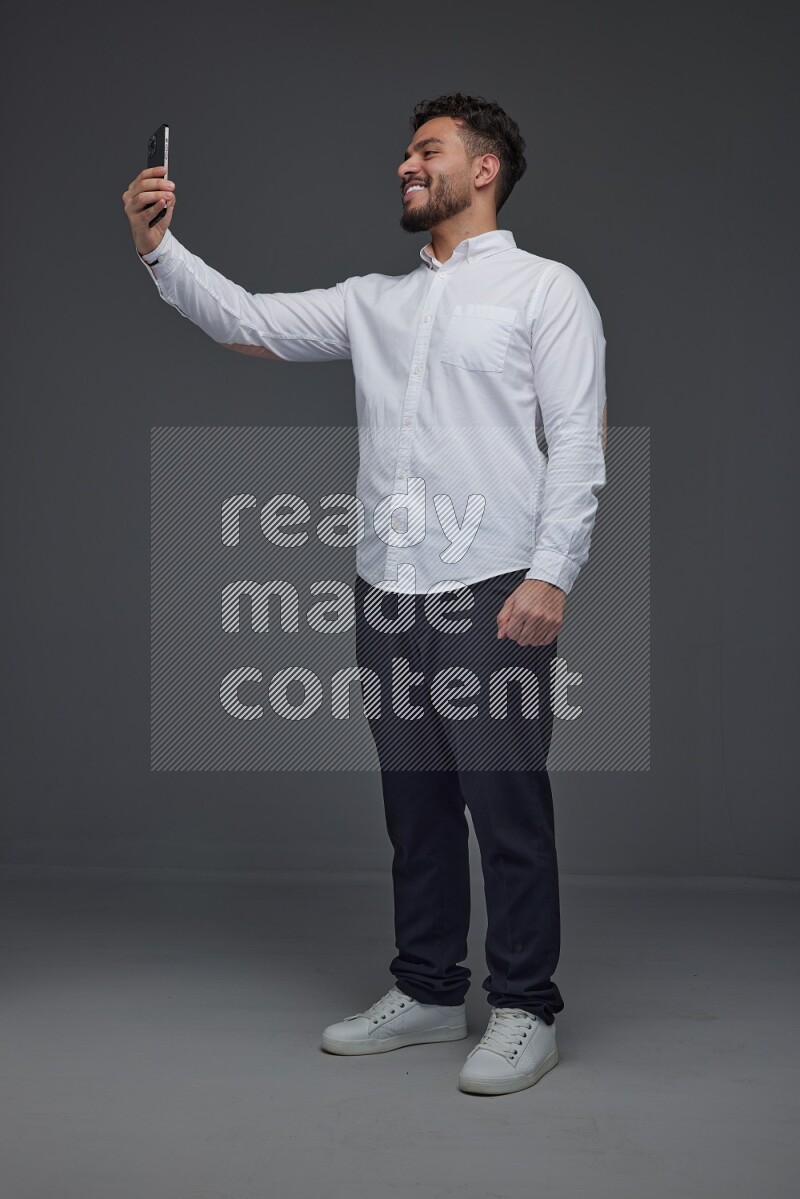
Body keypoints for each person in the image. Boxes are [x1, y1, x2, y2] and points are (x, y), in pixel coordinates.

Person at [123, 93, 607, 1097]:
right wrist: (159, 250)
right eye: (401, 153)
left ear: (483, 170)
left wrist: (550, 573)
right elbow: (249, 322)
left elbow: (578, 441)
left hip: (492, 588)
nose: (402, 166)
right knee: (415, 807)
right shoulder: (374, 303)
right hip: (388, 594)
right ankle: (429, 989)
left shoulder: (543, 291)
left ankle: (524, 1007)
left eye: (424, 152)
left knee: (503, 804)